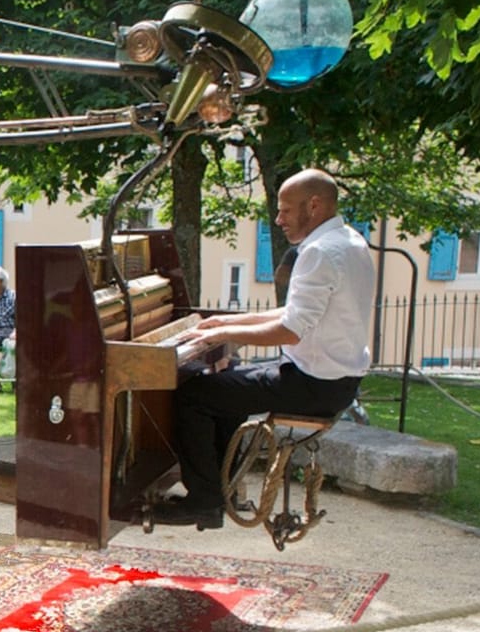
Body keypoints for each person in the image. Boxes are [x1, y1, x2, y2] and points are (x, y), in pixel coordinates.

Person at [158, 168, 374, 529]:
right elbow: (294, 314)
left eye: (286, 210)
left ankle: (204, 500)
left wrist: (217, 337)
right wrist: (224, 324)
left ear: (315, 205)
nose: (278, 220)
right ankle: (220, 488)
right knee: (226, 381)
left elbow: (290, 330)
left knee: (192, 396)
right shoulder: (350, 242)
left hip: (314, 386)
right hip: (335, 382)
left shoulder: (319, 252)